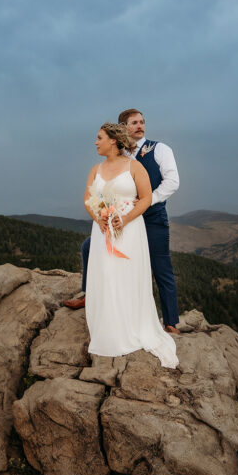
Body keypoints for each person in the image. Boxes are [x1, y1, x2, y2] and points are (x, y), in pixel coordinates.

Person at [65, 109, 181, 334]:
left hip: (152, 218)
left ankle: (170, 322)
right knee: (90, 247)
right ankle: (90, 294)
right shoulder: (119, 157)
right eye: (134, 123)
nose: (140, 126)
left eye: (142, 122)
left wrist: (148, 201)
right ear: (122, 128)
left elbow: (173, 181)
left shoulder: (160, 149)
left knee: (161, 267)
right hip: (121, 221)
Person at [82, 122, 178, 368]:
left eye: (99, 137)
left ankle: (131, 325)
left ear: (113, 140)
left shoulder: (134, 167)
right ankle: (107, 326)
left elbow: (146, 198)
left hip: (130, 228)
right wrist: (100, 217)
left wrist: (123, 220)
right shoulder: (96, 169)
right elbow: (88, 200)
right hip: (104, 229)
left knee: (125, 275)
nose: (95, 142)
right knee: (106, 274)